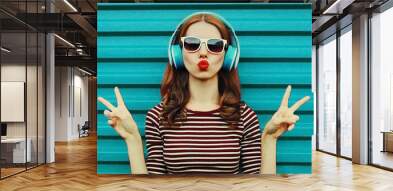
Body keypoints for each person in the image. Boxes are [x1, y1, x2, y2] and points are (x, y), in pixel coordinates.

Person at [97, 12, 310, 175]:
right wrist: (133, 139)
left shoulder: (245, 116)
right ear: (177, 54)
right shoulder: (158, 116)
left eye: (215, 46)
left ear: (228, 56)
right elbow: (151, 190)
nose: (203, 52)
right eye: (191, 44)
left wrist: (270, 138)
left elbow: (257, 190)